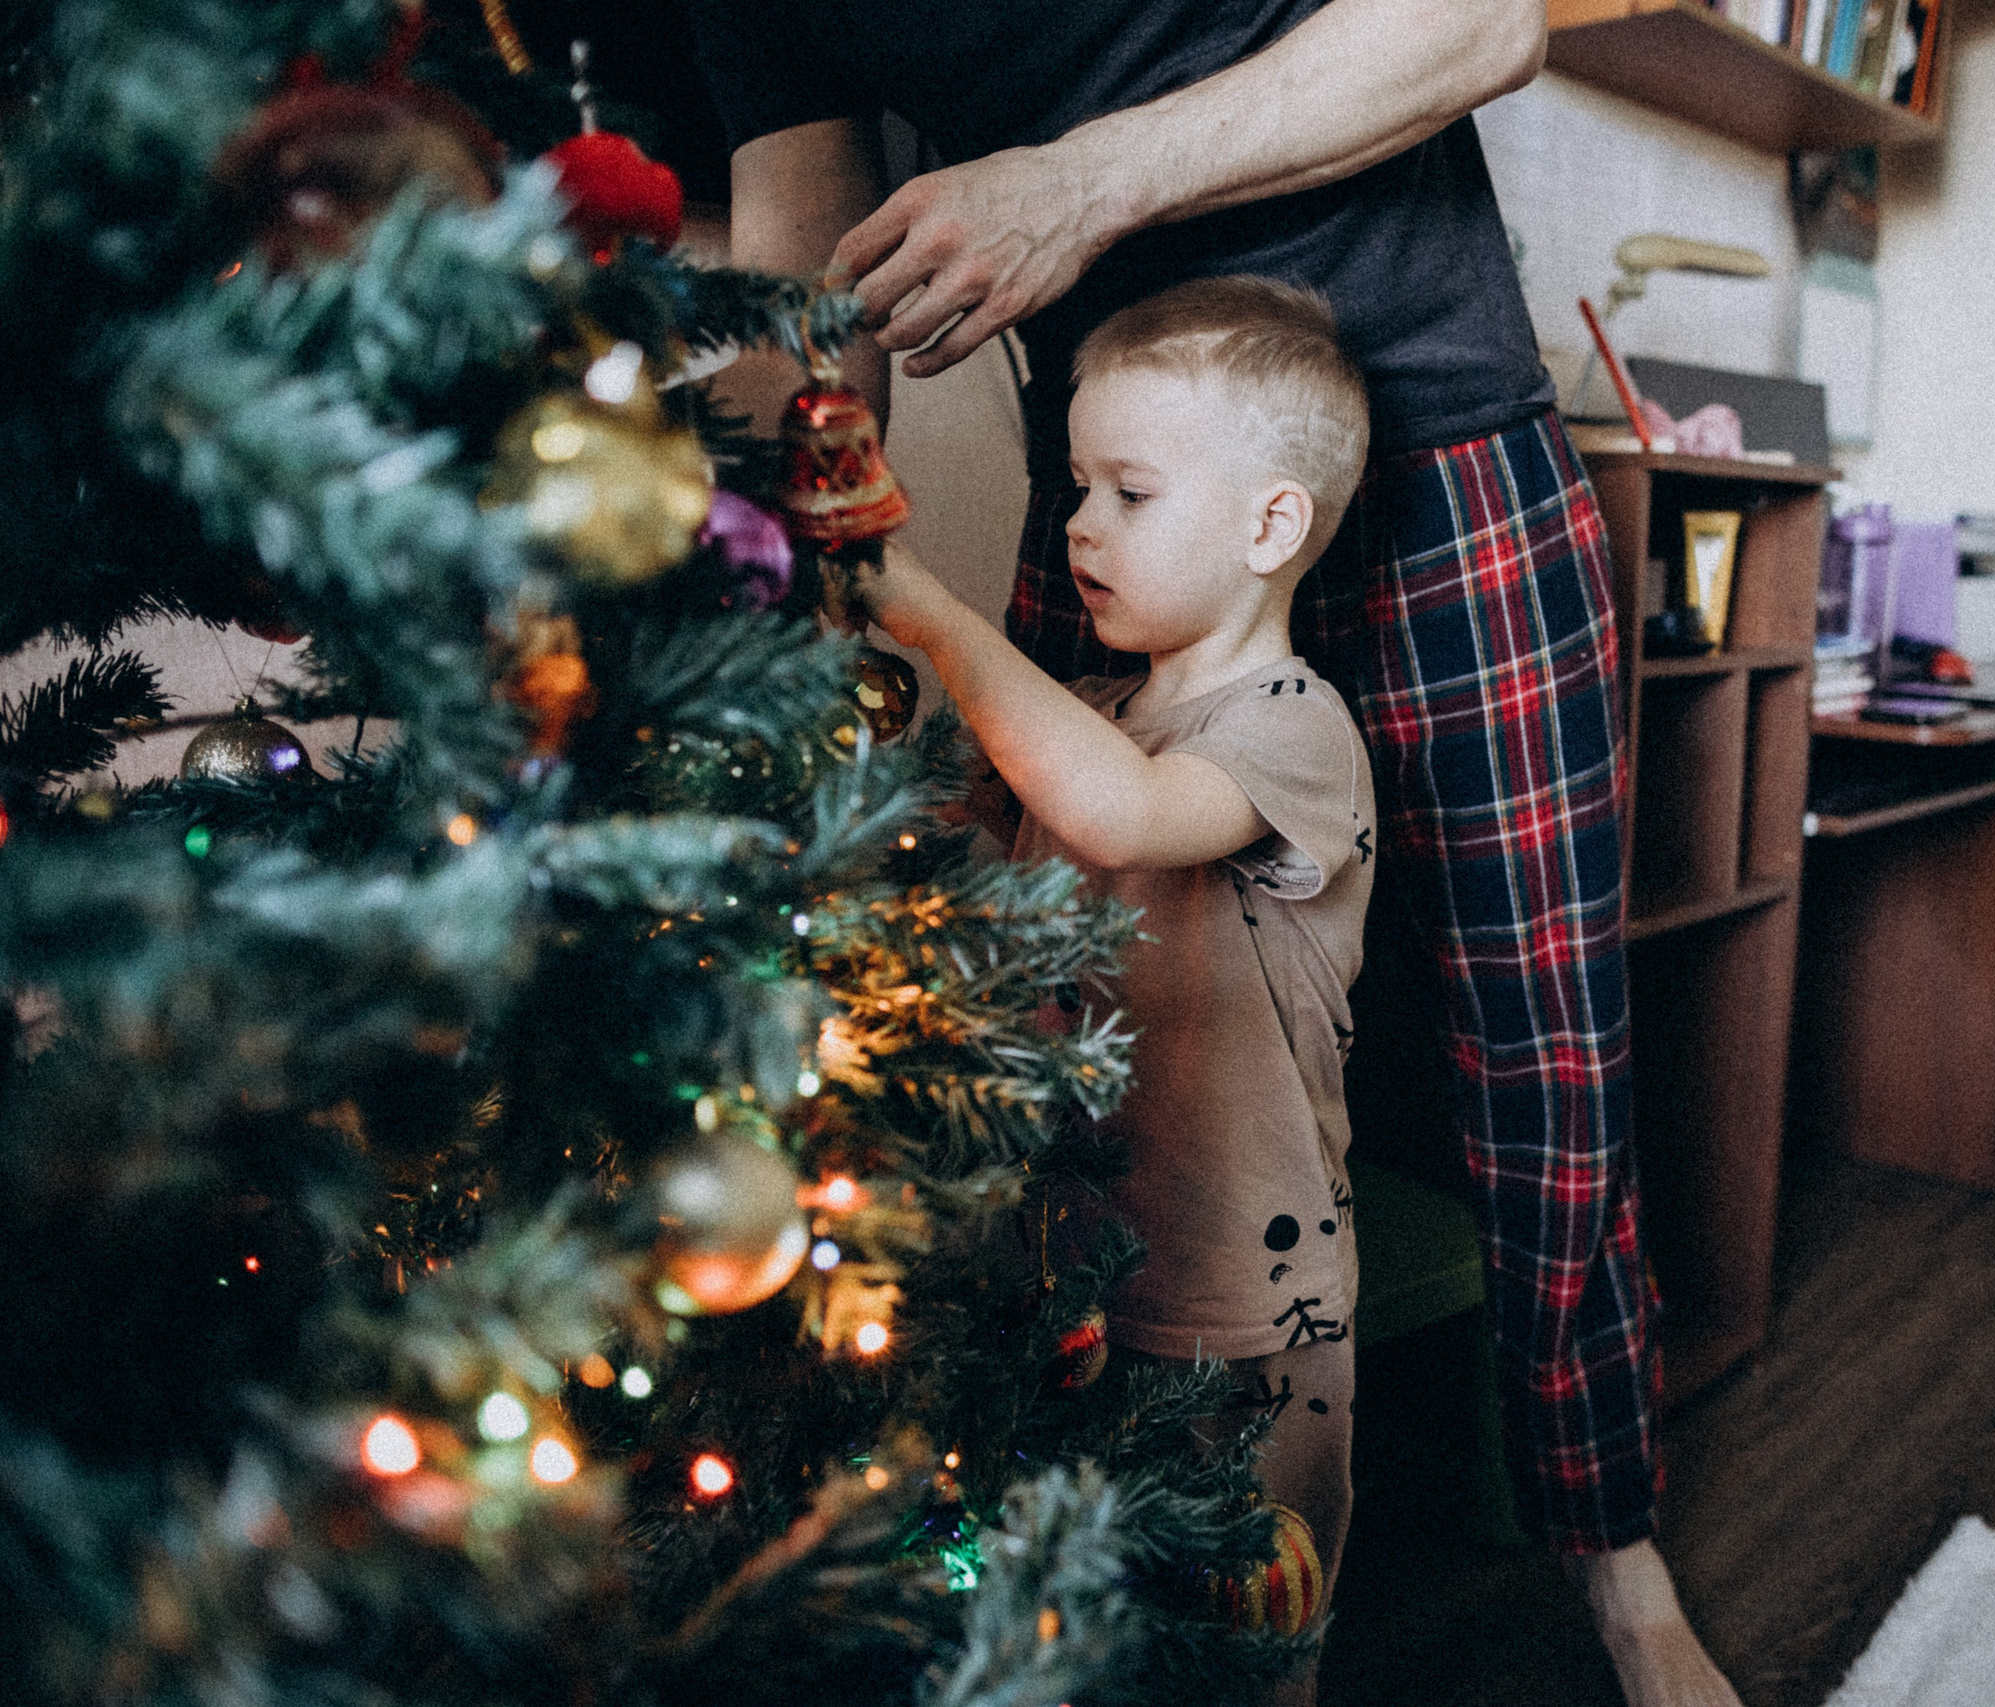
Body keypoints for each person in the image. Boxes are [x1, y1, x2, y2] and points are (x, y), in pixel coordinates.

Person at [685, 3, 1745, 1701]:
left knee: (1545, 1065)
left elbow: (1477, 23)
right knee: (1045, 1032)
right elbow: (801, 245)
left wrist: (1076, 187)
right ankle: (1053, 1540)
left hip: (1450, 450)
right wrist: (768, 548)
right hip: (1131, 504)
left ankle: (1616, 1559)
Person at [854, 277, 1375, 1698]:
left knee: (1247, 1624)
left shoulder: (1294, 727)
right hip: (1069, 1264)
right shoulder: (1087, 711)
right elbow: (960, 841)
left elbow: (1128, 818)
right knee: (1092, 1617)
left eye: (1128, 492)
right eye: (1077, 483)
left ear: (1272, 524)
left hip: (1243, 1298)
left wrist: (945, 624)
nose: (1079, 525)